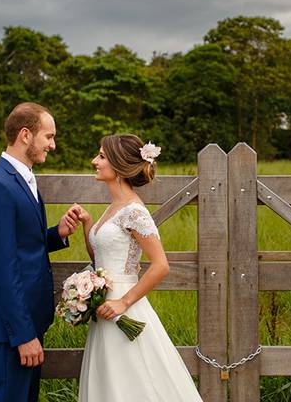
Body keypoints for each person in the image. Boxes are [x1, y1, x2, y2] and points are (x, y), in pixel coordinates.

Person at [72, 134, 203, 401]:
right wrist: (87, 224)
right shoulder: (114, 207)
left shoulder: (134, 211)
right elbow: (101, 257)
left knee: (134, 379)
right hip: (105, 306)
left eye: (101, 156)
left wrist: (123, 302)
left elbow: (160, 265)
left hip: (123, 305)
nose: (94, 161)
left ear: (119, 165)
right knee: (110, 380)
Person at [0, 102, 80, 402]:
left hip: (28, 322)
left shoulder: (21, 178)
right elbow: (1, 268)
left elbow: (20, 245)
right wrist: (23, 335)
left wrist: (57, 234)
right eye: (49, 136)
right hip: (11, 331)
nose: (53, 145)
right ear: (25, 135)